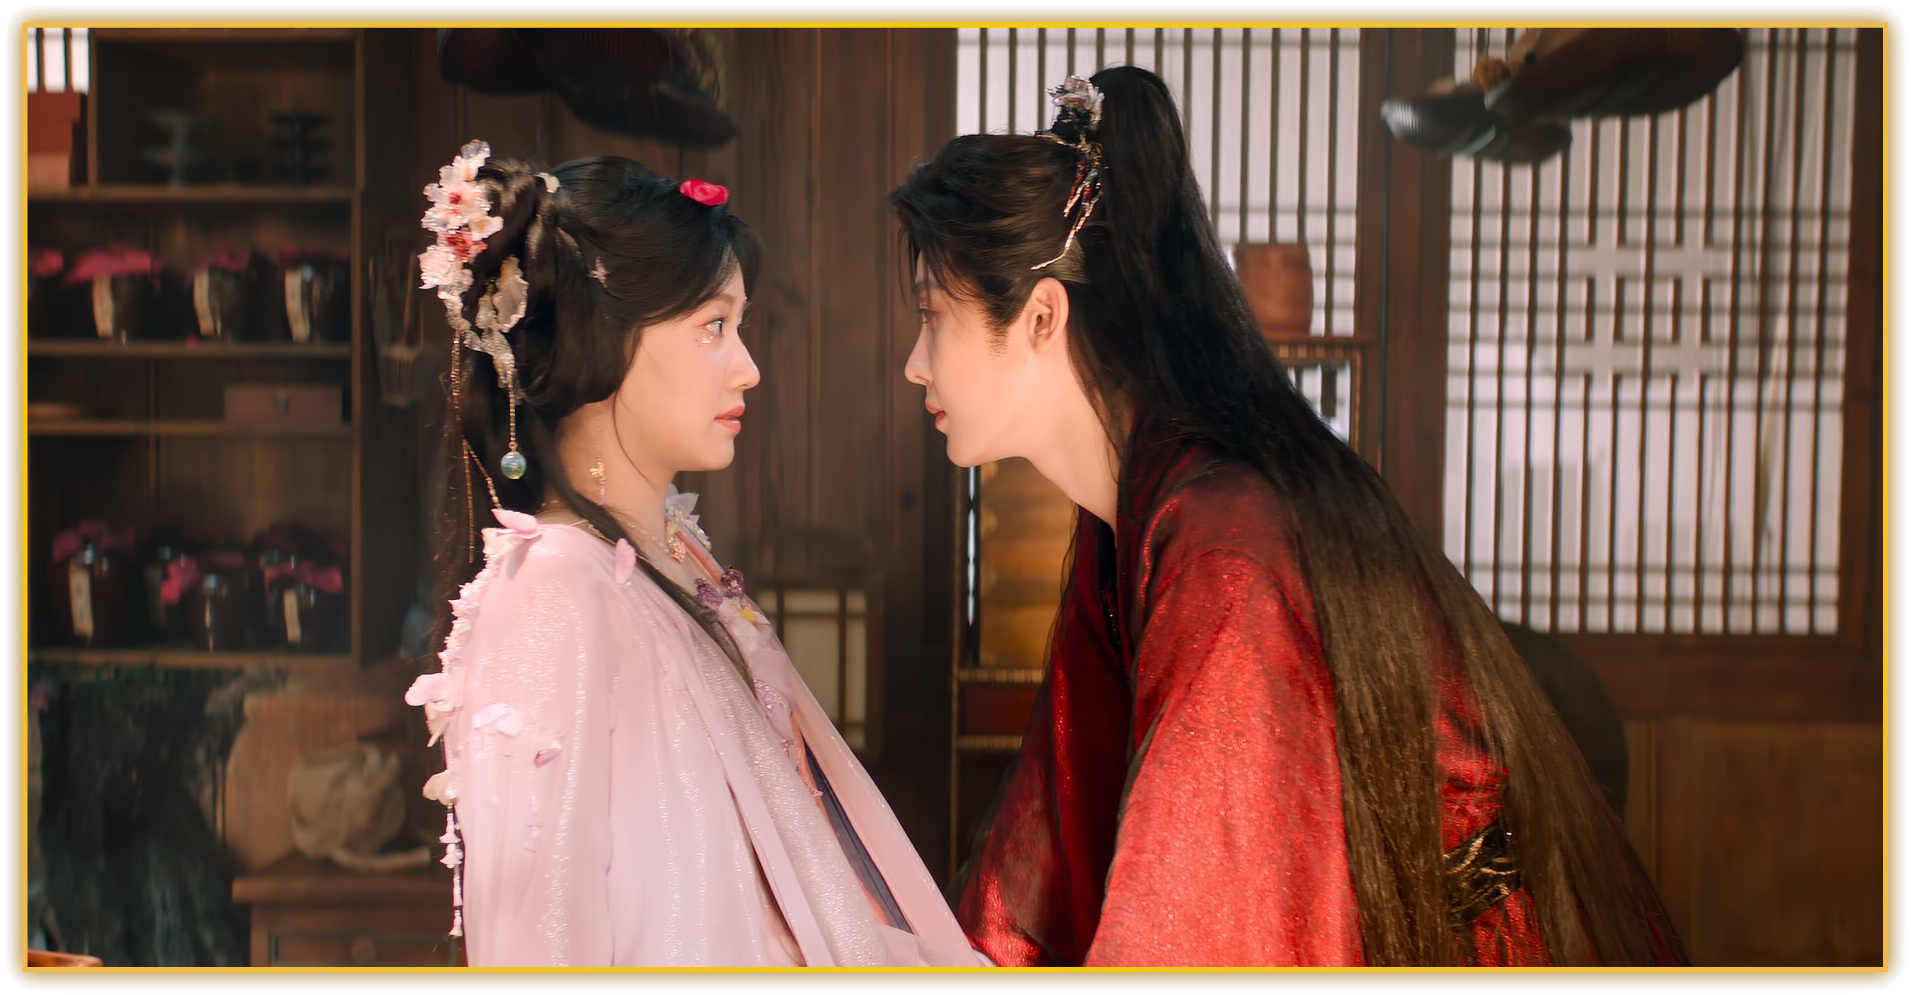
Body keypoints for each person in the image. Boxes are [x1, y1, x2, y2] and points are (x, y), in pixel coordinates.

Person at [889, 68, 1686, 968]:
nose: (916, 362)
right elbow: (1050, 831)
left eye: (932, 316)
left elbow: (1203, 922)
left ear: (1041, 316)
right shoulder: (1138, 512)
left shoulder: (1226, 546)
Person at [405, 142, 975, 967]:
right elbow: (537, 944)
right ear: (602, 336)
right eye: (713, 327)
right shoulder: (553, 590)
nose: (747, 368)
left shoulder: (670, 549)